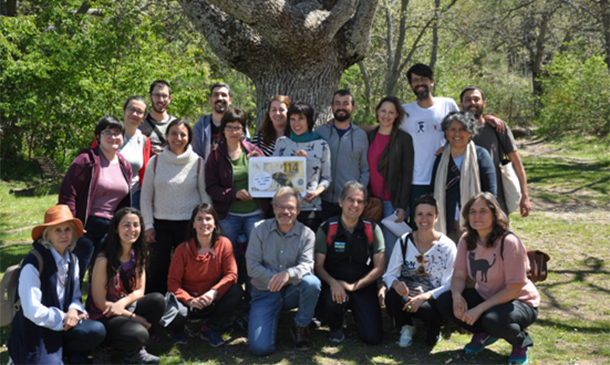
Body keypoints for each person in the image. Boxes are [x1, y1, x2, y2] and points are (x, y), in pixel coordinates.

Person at [437, 193, 540, 365]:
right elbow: (459, 275)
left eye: (483, 211)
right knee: (445, 302)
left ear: (494, 214)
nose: (477, 216)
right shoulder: (467, 239)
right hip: (487, 296)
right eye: (472, 211)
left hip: (519, 301)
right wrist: (456, 295)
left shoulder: (509, 242)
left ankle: (521, 343)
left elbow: (514, 288)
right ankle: (484, 332)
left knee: (493, 320)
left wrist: (479, 309)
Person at [8, 205, 105, 365]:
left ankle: (67, 354)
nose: (63, 235)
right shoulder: (34, 262)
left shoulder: (73, 260)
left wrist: (73, 310)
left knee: (96, 331)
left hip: (64, 323)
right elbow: (32, 310)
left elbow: (74, 296)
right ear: (47, 235)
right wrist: (64, 318)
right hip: (36, 329)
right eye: (57, 230)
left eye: (67, 229)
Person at [204, 107, 269, 321]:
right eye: (230, 127)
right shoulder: (215, 155)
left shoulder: (253, 151)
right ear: (223, 130)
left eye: (238, 128)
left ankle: (253, 304)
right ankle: (227, 305)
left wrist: (261, 163)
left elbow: (269, 181)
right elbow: (211, 187)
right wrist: (232, 194)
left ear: (244, 130)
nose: (234, 132)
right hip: (228, 215)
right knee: (226, 261)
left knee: (255, 260)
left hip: (255, 214)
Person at [246, 187, 322, 355]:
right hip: (264, 293)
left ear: (298, 210)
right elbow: (251, 266)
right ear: (273, 208)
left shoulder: (307, 234)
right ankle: (270, 317)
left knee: (312, 283)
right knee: (260, 349)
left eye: (290, 207)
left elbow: (308, 265)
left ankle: (301, 327)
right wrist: (275, 277)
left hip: (291, 292)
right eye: (280, 206)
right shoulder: (259, 229)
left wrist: (287, 274)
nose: (285, 211)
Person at [140, 119, 212, 294]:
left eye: (183, 134)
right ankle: (154, 306)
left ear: (189, 138)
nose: (178, 138)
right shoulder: (155, 162)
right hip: (160, 225)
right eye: (174, 133)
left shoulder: (198, 162)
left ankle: (185, 305)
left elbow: (205, 197)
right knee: (157, 268)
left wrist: (206, 224)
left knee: (187, 268)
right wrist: (148, 225)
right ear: (166, 136)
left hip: (188, 225)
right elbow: (146, 196)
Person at [86, 207, 166, 365]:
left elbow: (140, 291)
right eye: (126, 225)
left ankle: (132, 352)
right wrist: (135, 318)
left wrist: (122, 304)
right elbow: (99, 302)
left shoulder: (139, 253)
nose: (132, 230)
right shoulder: (104, 259)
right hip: (105, 315)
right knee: (140, 334)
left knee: (158, 300)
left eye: (136, 225)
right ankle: (103, 348)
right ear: (116, 229)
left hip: (124, 306)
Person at [59, 116, 132, 278]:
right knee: (75, 272)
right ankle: (67, 303)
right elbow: (68, 193)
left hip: (110, 227)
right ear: (98, 137)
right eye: (108, 133)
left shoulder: (124, 164)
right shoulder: (86, 160)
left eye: (117, 133)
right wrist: (70, 227)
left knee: (102, 274)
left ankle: (94, 303)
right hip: (85, 225)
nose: (113, 137)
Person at [315, 181, 385, 344]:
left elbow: (380, 267)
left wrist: (356, 286)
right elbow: (318, 266)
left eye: (360, 201)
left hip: (363, 286)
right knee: (333, 300)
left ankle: (357, 315)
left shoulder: (373, 229)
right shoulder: (327, 228)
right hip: (335, 285)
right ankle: (336, 326)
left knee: (373, 338)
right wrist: (333, 283)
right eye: (350, 200)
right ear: (340, 202)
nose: (355, 205)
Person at [383, 195, 456, 348]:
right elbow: (389, 274)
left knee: (429, 338)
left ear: (436, 217)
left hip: (431, 298)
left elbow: (449, 284)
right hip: (407, 297)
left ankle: (434, 328)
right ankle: (407, 326)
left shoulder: (448, 246)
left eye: (429, 214)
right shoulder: (403, 241)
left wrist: (424, 297)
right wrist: (396, 283)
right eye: (420, 214)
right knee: (392, 296)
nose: (424, 219)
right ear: (414, 218)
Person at [167, 204, 242, 347]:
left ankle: (210, 328)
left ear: (215, 224)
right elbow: (173, 283)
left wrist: (213, 293)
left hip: (211, 300)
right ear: (193, 224)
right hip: (188, 303)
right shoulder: (182, 249)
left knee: (236, 291)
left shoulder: (224, 244)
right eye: (199, 219)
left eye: (208, 219)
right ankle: (178, 330)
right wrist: (190, 300)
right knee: (177, 311)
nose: (204, 223)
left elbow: (232, 274)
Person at [461, 86, 531, 218]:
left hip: (496, 196)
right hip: (466, 195)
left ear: (484, 103)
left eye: (477, 99)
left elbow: (517, 162)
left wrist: (525, 195)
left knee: (499, 237)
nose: (473, 103)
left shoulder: (499, 128)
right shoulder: (457, 132)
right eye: (468, 100)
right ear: (462, 104)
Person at [430, 111, 497, 244]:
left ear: (470, 132)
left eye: (462, 129)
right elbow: (433, 189)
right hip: (446, 221)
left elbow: (491, 192)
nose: (457, 134)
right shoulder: (441, 158)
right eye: (452, 129)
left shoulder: (480, 154)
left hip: (475, 221)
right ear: (446, 133)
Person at [367, 96, 414, 260]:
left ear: (396, 115)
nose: (386, 116)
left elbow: (407, 174)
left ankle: (392, 284)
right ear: (378, 112)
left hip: (392, 203)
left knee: (391, 249)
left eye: (391, 112)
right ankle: (377, 282)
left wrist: (402, 205)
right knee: (374, 247)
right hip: (371, 202)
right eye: (383, 111)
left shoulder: (403, 139)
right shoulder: (369, 136)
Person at [274, 102, 331, 232]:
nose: (296, 124)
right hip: (284, 208)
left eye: (301, 119)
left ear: (308, 121)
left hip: (311, 208)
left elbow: (327, 178)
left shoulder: (321, 145)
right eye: (292, 119)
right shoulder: (282, 143)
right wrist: (293, 161)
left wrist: (315, 193)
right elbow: (274, 174)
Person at [315, 90, 370, 221]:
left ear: (353, 108)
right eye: (337, 103)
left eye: (346, 103)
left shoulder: (360, 136)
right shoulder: (320, 132)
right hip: (322, 201)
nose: (341, 107)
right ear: (332, 107)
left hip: (348, 204)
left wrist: (356, 195)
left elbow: (365, 169)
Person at [92, 96, 151, 210]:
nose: (134, 114)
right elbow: (91, 161)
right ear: (123, 111)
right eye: (131, 109)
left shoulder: (144, 141)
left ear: (143, 117)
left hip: (132, 197)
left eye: (139, 112)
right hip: (103, 196)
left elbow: (144, 174)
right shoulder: (107, 135)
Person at [193, 82, 250, 160]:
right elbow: (196, 157)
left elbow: (248, 151)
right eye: (215, 95)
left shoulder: (239, 125)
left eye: (224, 95)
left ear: (230, 100)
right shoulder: (200, 127)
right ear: (210, 100)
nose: (220, 98)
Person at [138, 80, 176, 155]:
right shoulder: (139, 125)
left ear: (170, 98)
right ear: (149, 96)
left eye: (164, 96)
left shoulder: (176, 125)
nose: (161, 100)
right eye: (157, 95)